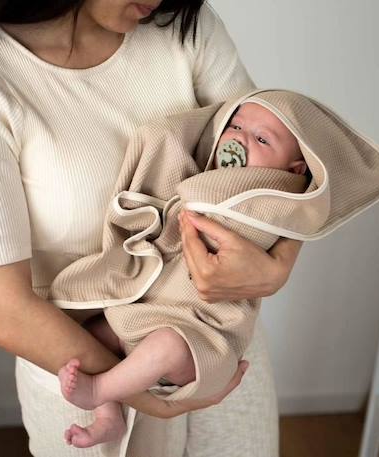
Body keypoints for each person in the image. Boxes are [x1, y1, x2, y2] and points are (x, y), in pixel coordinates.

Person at [0, 2, 303, 456]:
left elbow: (285, 170)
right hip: (81, 365)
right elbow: (1, 309)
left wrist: (277, 267)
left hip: (216, 342)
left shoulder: (185, 25)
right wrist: (134, 392)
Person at [56, 100, 308, 448]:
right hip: (152, 312)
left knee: (168, 345)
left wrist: (276, 268)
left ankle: (100, 389)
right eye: (234, 127)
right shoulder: (205, 174)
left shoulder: (275, 201)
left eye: (262, 140)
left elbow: (305, 216)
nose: (239, 139)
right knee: (95, 335)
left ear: (294, 172)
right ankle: (109, 416)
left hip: (203, 336)